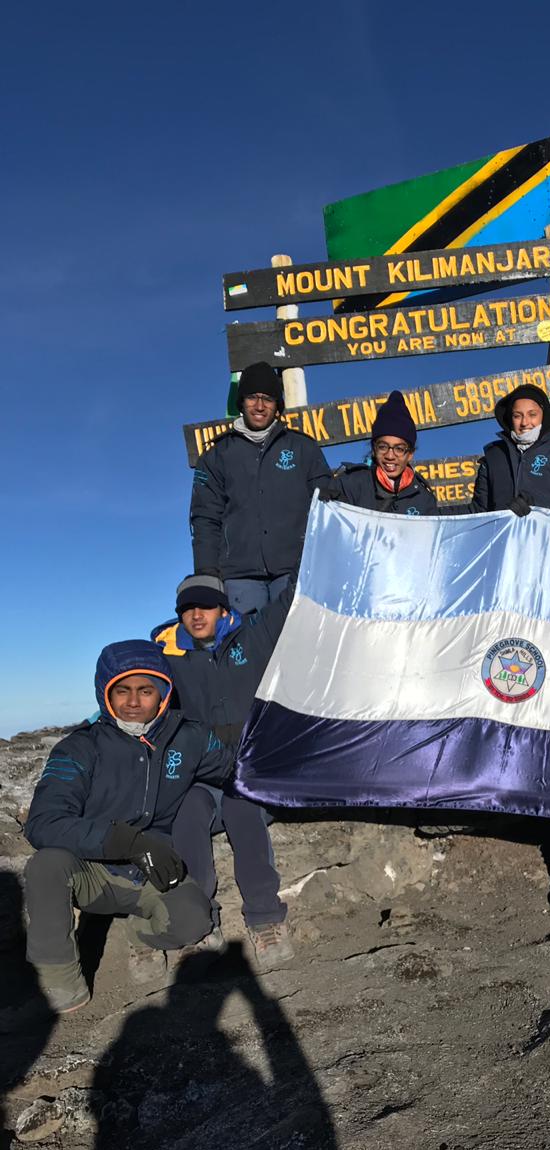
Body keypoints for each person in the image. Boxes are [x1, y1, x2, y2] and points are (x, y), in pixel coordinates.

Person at [23, 642, 234, 1013]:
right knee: (46, 865)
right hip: (91, 869)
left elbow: (237, 772)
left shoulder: (190, 736)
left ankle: (134, 933)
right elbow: (43, 822)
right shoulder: (79, 747)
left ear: (163, 693)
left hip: (155, 869)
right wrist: (125, 841)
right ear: (106, 693)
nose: (134, 702)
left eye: (146, 690)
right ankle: (59, 982)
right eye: (122, 690)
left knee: (193, 923)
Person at [152, 574, 295, 971]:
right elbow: (135, 691)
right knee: (187, 811)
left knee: (241, 807)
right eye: (187, 609)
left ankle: (265, 918)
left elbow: (294, 593)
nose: (196, 615)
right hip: (201, 775)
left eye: (206, 607)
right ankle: (199, 924)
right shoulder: (165, 654)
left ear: (223, 609)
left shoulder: (253, 635)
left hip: (253, 770)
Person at [190, 361, 332, 614]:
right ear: (241, 402)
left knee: (293, 648)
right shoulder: (217, 455)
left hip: (296, 571)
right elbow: (205, 519)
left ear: (278, 405)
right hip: (238, 577)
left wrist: (324, 563)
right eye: (252, 397)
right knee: (246, 649)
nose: (259, 405)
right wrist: (207, 576)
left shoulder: (303, 448)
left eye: (268, 398)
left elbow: (328, 509)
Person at [470, 383, 550, 514]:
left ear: (543, 414)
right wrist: (440, 516)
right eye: (517, 416)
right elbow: (478, 511)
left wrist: (536, 509)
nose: (525, 422)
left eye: (532, 414)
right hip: (505, 534)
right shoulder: (494, 456)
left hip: (549, 533)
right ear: (510, 418)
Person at [328, 391, 439, 515]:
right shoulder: (348, 485)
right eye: (383, 447)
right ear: (374, 448)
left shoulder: (424, 499)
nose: (390, 456)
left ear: (410, 454)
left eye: (399, 449)